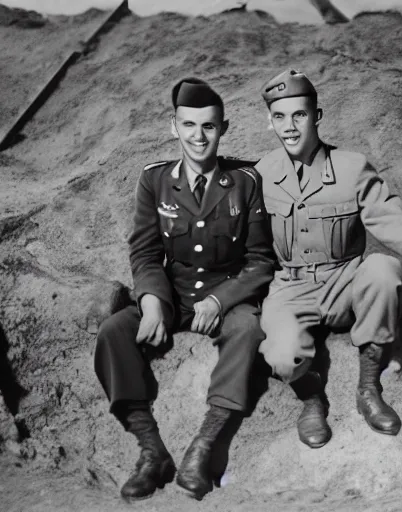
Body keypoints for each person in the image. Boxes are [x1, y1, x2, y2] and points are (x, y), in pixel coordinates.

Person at [255, 69, 402, 448]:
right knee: (280, 356)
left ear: (317, 116)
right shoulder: (260, 173)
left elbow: (393, 222)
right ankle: (311, 399)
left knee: (383, 268)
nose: (289, 127)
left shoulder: (352, 167)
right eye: (280, 116)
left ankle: (368, 388)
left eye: (299, 115)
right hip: (290, 287)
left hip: (344, 283)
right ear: (269, 120)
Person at [94, 78, 275, 501]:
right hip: (172, 294)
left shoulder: (246, 181)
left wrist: (221, 299)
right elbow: (144, 251)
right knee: (114, 332)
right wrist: (153, 303)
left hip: (225, 296)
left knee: (248, 330)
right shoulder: (154, 180)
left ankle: (203, 446)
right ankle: (151, 450)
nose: (198, 136)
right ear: (173, 127)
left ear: (223, 128)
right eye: (189, 125)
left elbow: (261, 261)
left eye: (208, 127)